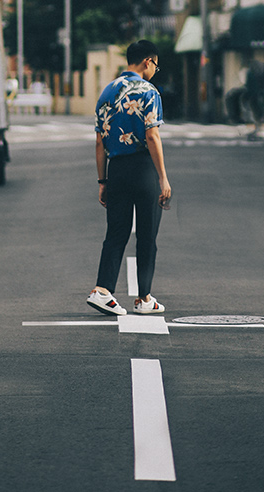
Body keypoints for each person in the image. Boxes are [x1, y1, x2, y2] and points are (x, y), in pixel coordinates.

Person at [87, 39, 172, 317]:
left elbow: (99, 142)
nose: (154, 71)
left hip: (117, 170)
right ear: (147, 61)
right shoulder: (149, 91)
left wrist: (103, 181)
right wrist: (163, 178)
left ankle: (102, 291)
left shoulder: (107, 92)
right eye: (155, 66)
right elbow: (152, 135)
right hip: (143, 168)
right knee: (147, 235)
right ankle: (144, 299)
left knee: (116, 233)